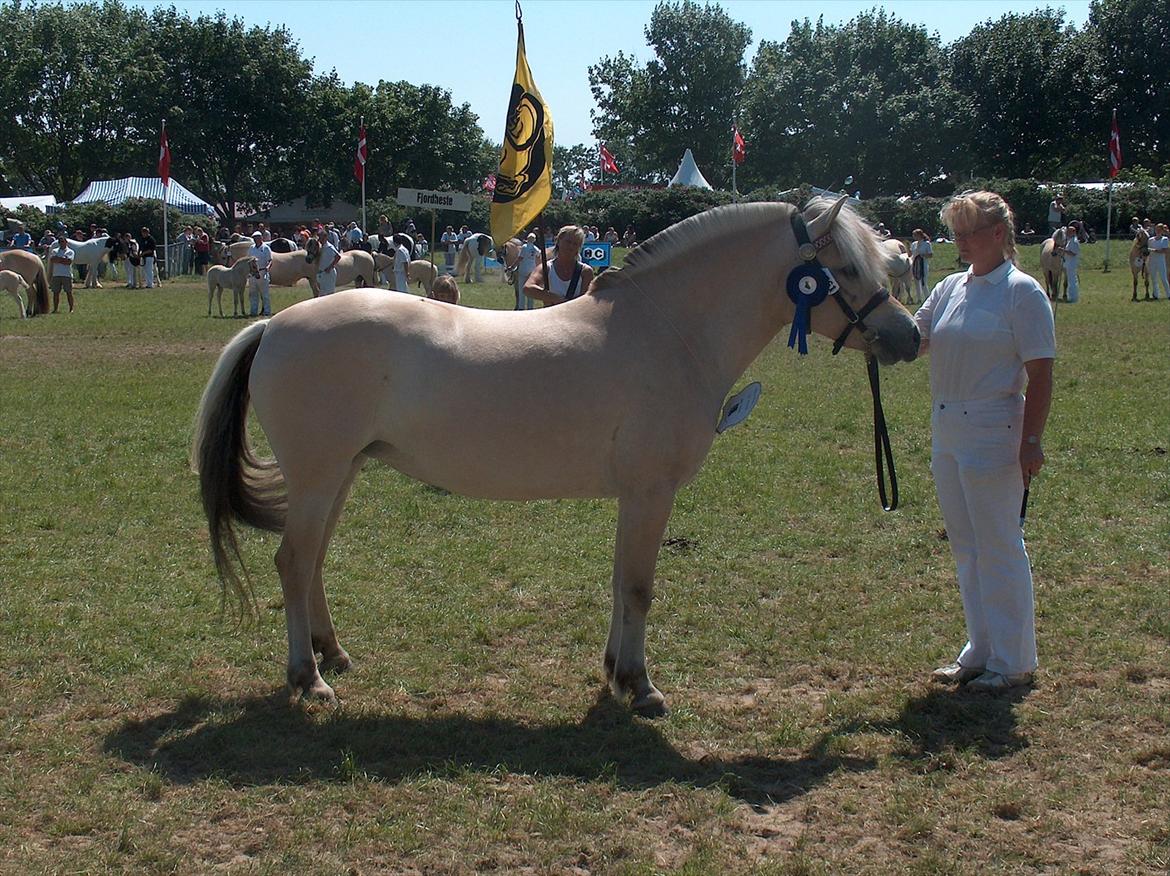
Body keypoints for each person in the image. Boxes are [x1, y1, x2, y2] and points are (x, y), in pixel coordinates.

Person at [914, 190, 1055, 694]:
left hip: (996, 426)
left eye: (969, 231)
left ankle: (1014, 659)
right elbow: (918, 337)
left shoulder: (1022, 292)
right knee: (966, 546)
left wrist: (1031, 441)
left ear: (999, 233)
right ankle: (980, 647)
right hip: (947, 425)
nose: (960, 241)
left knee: (998, 544)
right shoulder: (951, 285)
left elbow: (1041, 373)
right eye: (956, 231)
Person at [523, 225, 594, 306]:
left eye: (575, 244)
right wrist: (553, 298)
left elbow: (586, 302)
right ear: (558, 240)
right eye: (568, 242)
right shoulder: (546, 268)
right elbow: (527, 288)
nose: (571, 246)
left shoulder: (585, 272)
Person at [247, 230, 274, 317]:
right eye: (254, 238)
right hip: (253, 273)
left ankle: (267, 311)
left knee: (264, 293)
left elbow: (270, 260)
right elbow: (248, 260)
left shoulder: (266, 248)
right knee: (253, 293)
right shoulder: (251, 248)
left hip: (262, 272)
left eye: (257, 238)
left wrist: (268, 268)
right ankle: (253, 311)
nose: (255, 240)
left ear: (261, 238)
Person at [48, 231, 76, 313]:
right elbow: (52, 260)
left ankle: (71, 309)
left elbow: (69, 262)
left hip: (66, 275)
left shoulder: (70, 251)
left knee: (69, 292)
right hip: (56, 274)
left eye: (63, 242)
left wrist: (59, 259)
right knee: (55, 293)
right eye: (60, 242)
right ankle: (55, 309)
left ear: (66, 242)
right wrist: (63, 259)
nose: (61, 243)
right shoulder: (54, 251)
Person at [514, 232, 539, 310]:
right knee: (530, 289)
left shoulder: (524, 247)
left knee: (521, 289)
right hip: (532, 269)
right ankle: (530, 307)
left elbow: (520, 258)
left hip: (523, 269)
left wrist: (513, 266)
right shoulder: (535, 248)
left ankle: (521, 307)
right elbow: (538, 256)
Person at [909, 228, 933, 303]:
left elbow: (930, 254)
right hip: (915, 264)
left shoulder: (926, 244)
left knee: (923, 282)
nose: (914, 237)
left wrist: (922, 255)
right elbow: (911, 254)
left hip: (923, 264)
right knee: (916, 282)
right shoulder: (914, 244)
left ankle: (927, 298)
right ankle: (919, 298)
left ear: (920, 235)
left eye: (915, 235)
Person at [315, 227, 341, 295]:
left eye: (321, 237)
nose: (320, 239)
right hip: (321, 273)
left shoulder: (329, 247)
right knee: (321, 293)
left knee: (329, 294)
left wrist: (330, 267)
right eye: (319, 237)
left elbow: (338, 257)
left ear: (325, 237)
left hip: (328, 273)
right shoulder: (320, 247)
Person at [1147, 222, 1169, 300]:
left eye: (1160, 230)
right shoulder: (1150, 240)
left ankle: (1168, 294)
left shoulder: (1165, 239)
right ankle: (1156, 294)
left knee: (1163, 278)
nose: (1158, 231)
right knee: (1153, 278)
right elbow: (1147, 250)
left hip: (1160, 260)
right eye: (1157, 229)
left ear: (1162, 231)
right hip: (1152, 260)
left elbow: (1164, 250)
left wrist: (1153, 250)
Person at [1060, 222, 1080, 303]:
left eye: (1069, 232)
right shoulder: (1070, 240)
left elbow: (1073, 253)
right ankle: (1070, 296)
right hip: (1068, 263)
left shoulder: (1074, 241)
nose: (1067, 233)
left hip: (1072, 263)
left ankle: (1073, 297)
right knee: (1070, 280)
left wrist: (1063, 250)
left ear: (1073, 232)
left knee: (1072, 281)